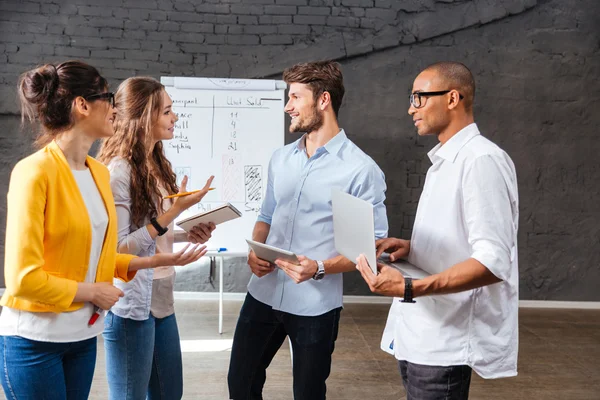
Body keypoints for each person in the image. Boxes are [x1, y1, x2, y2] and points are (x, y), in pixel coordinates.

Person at [0, 61, 205, 400]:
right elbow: (23, 279)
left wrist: (165, 260)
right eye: (109, 97)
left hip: (81, 337)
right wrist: (93, 293)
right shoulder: (33, 172)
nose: (115, 108)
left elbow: (106, 256)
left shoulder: (97, 173)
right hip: (33, 340)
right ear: (82, 105)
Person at [356, 61, 519, 400]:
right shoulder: (445, 161)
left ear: (452, 98)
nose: (410, 108)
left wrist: (411, 286)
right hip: (418, 333)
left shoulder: (481, 160)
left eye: (418, 98)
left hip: (447, 341)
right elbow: (461, 239)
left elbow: (493, 260)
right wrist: (412, 247)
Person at [227, 61, 388, 400]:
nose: (288, 106)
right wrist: (257, 249)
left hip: (315, 306)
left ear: (323, 100)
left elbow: (370, 247)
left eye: (295, 97)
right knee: (240, 384)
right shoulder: (281, 158)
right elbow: (266, 215)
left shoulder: (360, 170)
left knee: (308, 394)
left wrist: (319, 268)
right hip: (263, 294)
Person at [97, 76, 215, 400]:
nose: (174, 117)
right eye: (166, 111)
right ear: (144, 116)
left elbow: (154, 235)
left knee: (168, 394)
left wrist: (185, 232)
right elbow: (120, 249)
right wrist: (172, 213)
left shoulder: (156, 165)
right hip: (132, 303)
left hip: (163, 298)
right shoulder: (118, 172)